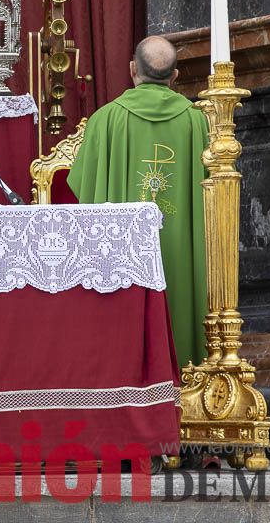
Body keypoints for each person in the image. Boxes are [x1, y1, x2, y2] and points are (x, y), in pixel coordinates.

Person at [66, 35, 209, 368]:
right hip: (181, 250)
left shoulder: (105, 121)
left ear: (132, 70)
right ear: (175, 75)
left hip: (119, 256)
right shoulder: (196, 121)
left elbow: (81, 186)